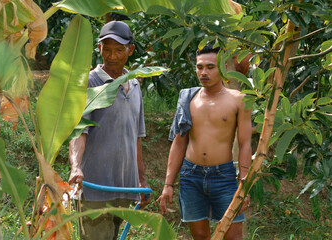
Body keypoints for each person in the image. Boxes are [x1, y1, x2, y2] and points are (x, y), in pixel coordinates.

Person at [157, 45, 252, 240]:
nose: (204, 72)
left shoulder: (238, 100)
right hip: (191, 175)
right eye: (199, 67)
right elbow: (179, 143)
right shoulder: (188, 98)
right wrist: (168, 184)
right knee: (200, 236)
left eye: (210, 67)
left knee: (233, 236)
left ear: (224, 67)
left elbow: (245, 144)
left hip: (224, 177)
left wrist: (244, 184)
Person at [68, 20, 149, 240]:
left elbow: (136, 138)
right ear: (99, 49)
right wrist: (76, 167)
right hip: (95, 190)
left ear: (130, 50)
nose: (112, 56)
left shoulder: (135, 85)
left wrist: (141, 181)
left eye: (119, 50)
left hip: (125, 189)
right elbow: (79, 132)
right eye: (107, 50)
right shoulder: (90, 83)